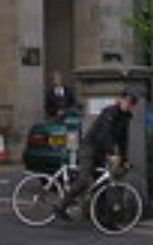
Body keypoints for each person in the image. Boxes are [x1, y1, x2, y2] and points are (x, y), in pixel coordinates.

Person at [55, 89, 139, 220]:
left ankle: (103, 219)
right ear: (120, 100)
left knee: (102, 185)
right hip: (89, 147)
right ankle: (61, 206)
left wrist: (124, 159)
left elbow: (123, 140)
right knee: (84, 179)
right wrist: (112, 154)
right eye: (127, 101)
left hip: (101, 151)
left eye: (132, 103)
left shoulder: (125, 118)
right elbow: (105, 134)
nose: (128, 105)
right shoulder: (109, 112)